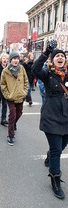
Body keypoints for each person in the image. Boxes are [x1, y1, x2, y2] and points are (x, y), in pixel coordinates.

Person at [32, 40, 68, 199]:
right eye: (57, 56)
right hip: (51, 117)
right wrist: (47, 51)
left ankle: (50, 155)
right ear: (52, 60)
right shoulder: (47, 73)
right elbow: (35, 69)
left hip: (66, 117)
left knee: (61, 147)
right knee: (56, 151)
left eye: (63, 56)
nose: (60, 58)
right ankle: (55, 179)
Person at [0, 51, 28, 146]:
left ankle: (14, 123)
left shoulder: (22, 69)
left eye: (17, 59)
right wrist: (7, 95)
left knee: (19, 113)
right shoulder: (5, 71)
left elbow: (26, 81)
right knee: (12, 114)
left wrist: (25, 91)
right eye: (14, 59)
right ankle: (10, 135)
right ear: (10, 60)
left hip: (20, 95)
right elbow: (3, 85)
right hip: (11, 97)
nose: (16, 60)